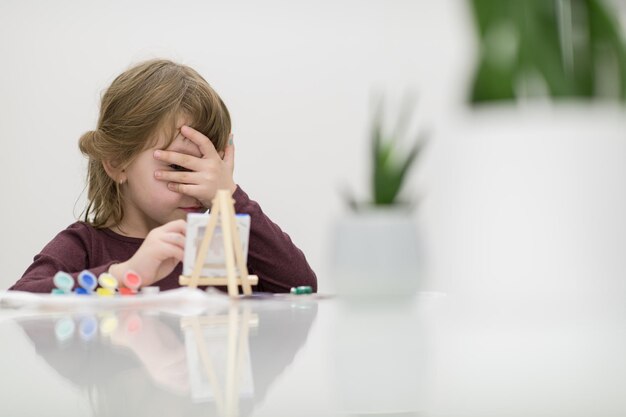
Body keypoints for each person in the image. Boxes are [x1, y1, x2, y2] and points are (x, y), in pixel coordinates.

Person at [10, 59, 316, 293]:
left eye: (210, 168)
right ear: (117, 164)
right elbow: (20, 299)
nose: (198, 186)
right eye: (178, 167)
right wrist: (126, 274)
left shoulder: (217, 243)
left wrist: (230, 197)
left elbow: (300, 286)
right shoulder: (85, 245)